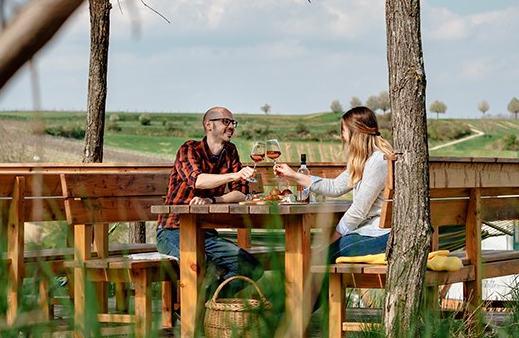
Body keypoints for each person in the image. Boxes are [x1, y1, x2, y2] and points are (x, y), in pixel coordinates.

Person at [156, 106, 264, 297]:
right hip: (173, 230)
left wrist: (213, 200)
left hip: (206, 232)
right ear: (208, 125)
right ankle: (191, 312)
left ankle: (208, 302)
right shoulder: (189, 149)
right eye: (226, 122)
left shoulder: (230, 151)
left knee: (252, 268)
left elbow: (241, 193)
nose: (231, 127)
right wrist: (235, 175)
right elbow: (197, 180)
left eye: (233, 123)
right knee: (199, 261)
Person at [274, 106, 393, 263]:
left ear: (355, 131)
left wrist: (332, 239)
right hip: (371, 231)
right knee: (318, 256)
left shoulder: (378, 161)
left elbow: (358, 210)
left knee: (320, 256)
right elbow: (335, 187)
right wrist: (294, 175)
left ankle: (303, 286)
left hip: (384, 235)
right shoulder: (365, 160)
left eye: (343, 130)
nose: (342, 136)